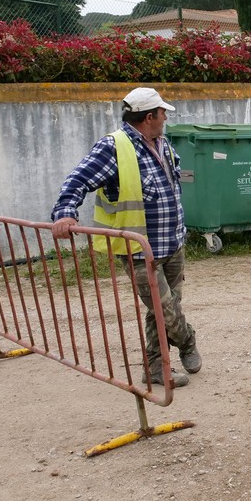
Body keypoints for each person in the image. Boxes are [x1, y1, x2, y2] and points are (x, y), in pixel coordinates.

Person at [50, 87, 201, 388]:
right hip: (140, 248)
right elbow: (78, 179)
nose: (166, 118)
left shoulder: (162, 143)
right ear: (149, 117)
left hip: (172, 242)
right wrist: (65, 212)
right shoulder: (113, 147)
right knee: (164, 309)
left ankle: (156, 368)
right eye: (162, 113)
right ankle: (187, 341)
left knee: (164, 308)